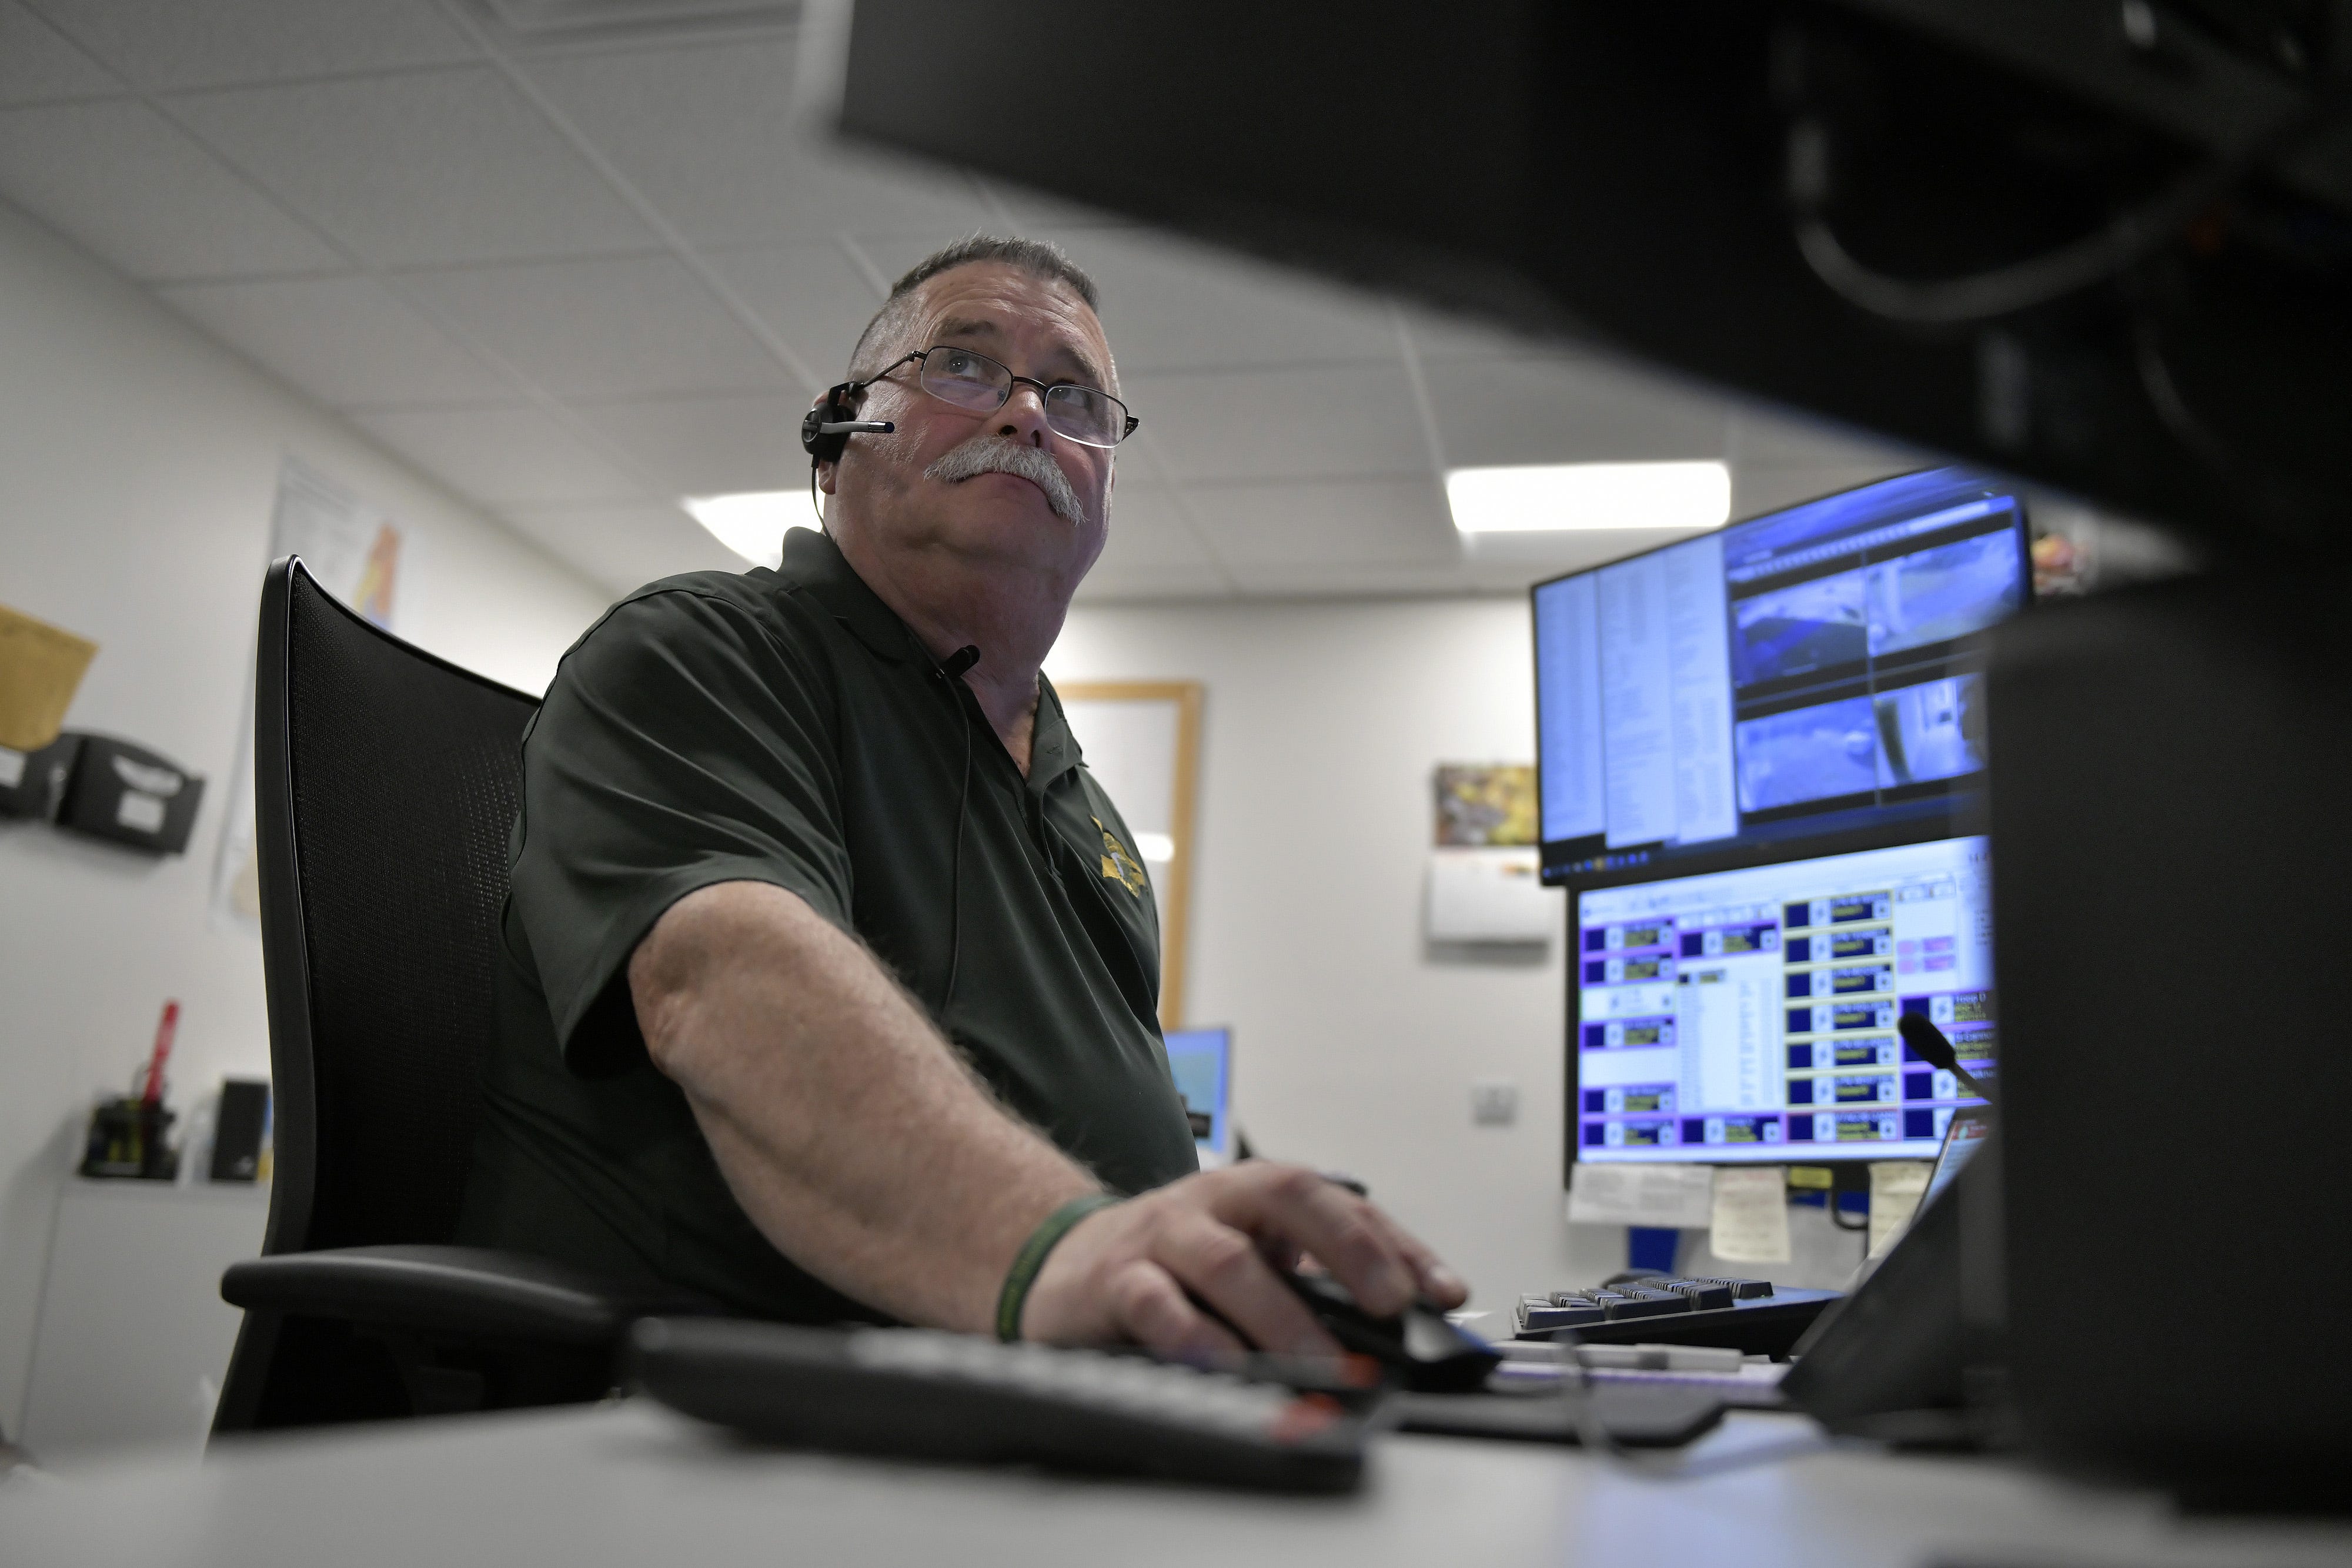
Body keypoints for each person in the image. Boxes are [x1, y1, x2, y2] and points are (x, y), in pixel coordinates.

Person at [456, 235, 1466, 1358]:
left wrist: (1216, 1259)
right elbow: (722, 981)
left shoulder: (1081, 802)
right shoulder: (704, 653)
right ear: (840, 439)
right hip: (735, 1411)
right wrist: (1066, 1250)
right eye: (965, 368)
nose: (1028, 414)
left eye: (1076, 395)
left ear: (1106, 495)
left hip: (1061, 1386)